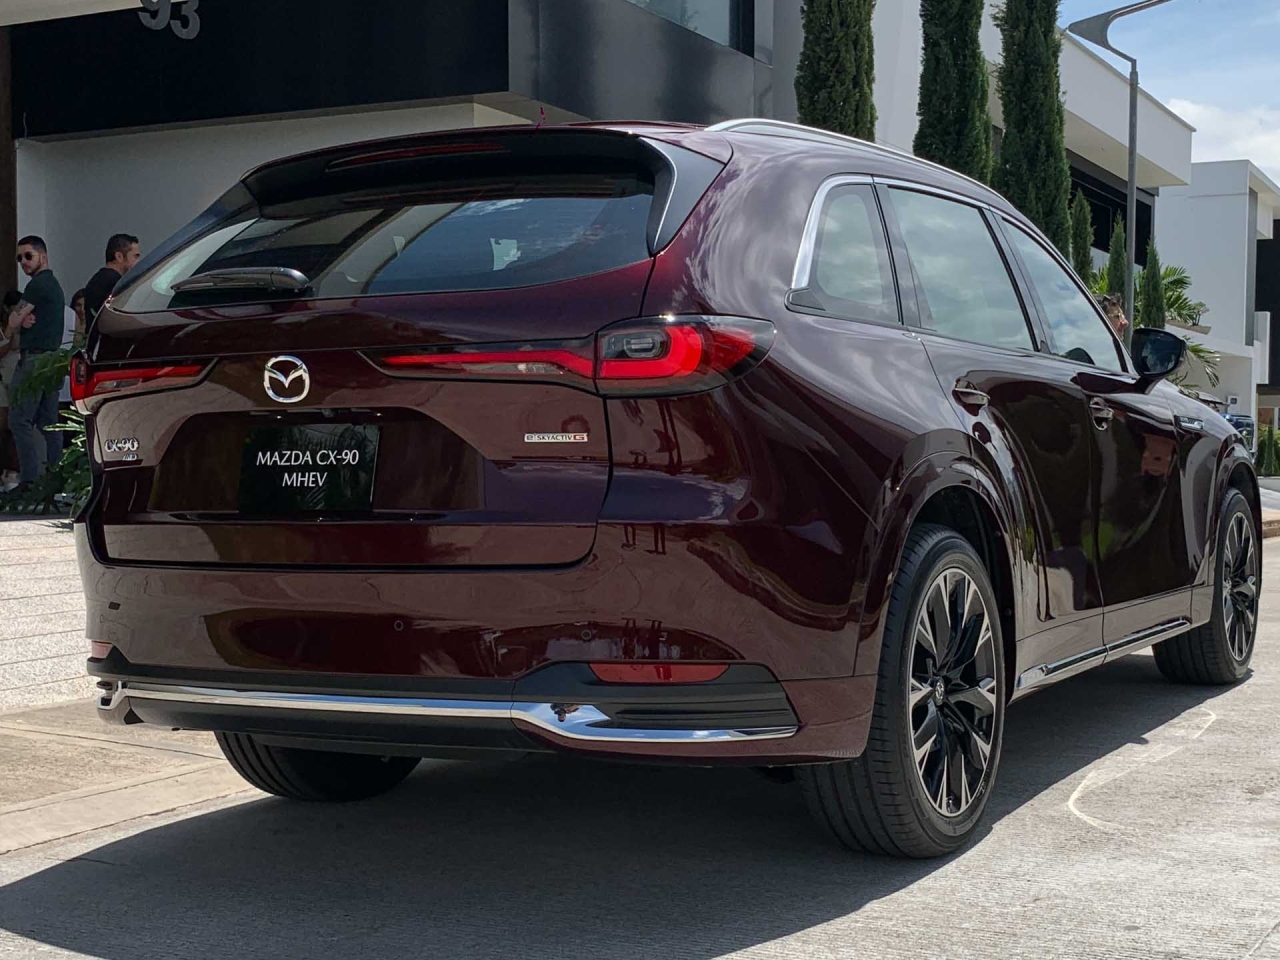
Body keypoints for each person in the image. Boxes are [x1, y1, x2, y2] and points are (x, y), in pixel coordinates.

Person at [3, 236, 66, 495]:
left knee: (19, 420)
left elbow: (11, 325)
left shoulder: (37, 285)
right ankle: (56, 479)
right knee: (49, 423)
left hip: (35, 361)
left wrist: (16, 320)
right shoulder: (52, 285)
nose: (23, 262)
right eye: (19, 258)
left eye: (28, 256)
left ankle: (29, 480)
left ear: (43, 255)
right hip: (52, 360)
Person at [83, 233, 140, 329]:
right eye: (135, 256)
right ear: (119, 256)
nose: (138, 261)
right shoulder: (115, 283)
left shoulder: (98, 279)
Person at [0, 291, 22, 490]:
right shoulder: (5, 327)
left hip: (19, 378)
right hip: (4, 379)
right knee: (4, 426)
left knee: (16, 426)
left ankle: (14, 470)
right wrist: (9, 329)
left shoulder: (28, 324)